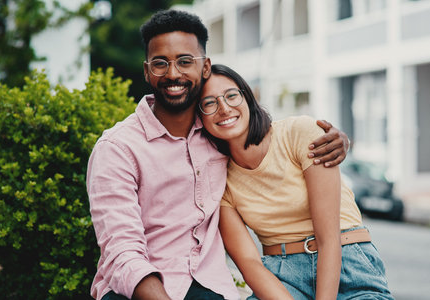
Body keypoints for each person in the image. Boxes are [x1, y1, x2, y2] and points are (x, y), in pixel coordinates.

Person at [86, 10, 350, 300]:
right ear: (147, 71)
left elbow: (270, 138)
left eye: (185, 62)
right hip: (138, 290)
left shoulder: (218, 134)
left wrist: (337, 139)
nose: (173, 74)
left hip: (209, 286)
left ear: (205, 67)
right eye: (161, 64)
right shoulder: (117, 148)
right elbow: (122, 251)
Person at [198, 64, 394, 300]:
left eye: (231, 96)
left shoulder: (299, 132)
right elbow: (249, 262)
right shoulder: (220, 179)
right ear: (200, 118)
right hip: (283, 278)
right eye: (209, 103)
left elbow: (328, 238)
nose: (224, 108)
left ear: (248, 98)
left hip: (346, 264)